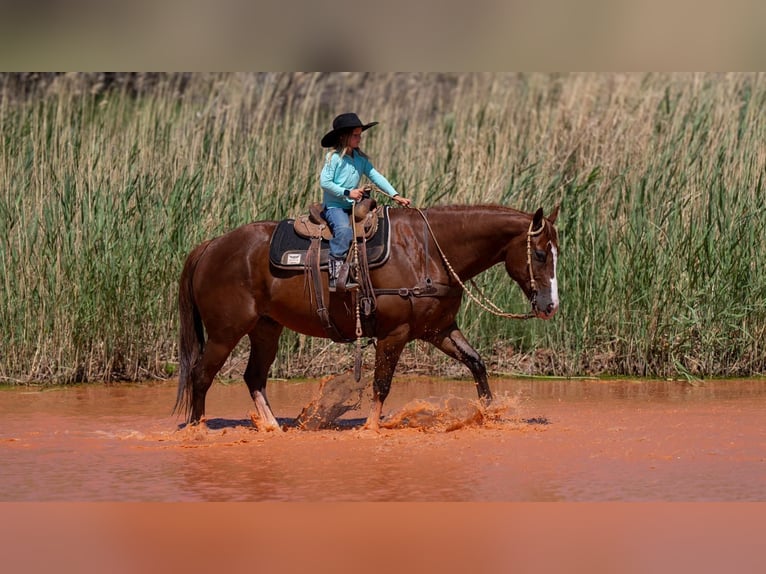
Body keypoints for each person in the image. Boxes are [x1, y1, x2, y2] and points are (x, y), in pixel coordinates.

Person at [319, 112, 411, 291]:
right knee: (344, 231)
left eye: (360, 134)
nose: (359, 138)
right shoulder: (334, 158)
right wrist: (348, 192)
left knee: (378, 226)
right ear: (344, 137)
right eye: (355, 135)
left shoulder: (360, 160)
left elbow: (377, 177)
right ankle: (335, 272)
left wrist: (395, 195)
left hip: (353, 206)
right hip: (335, 206)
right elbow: (325, 183)